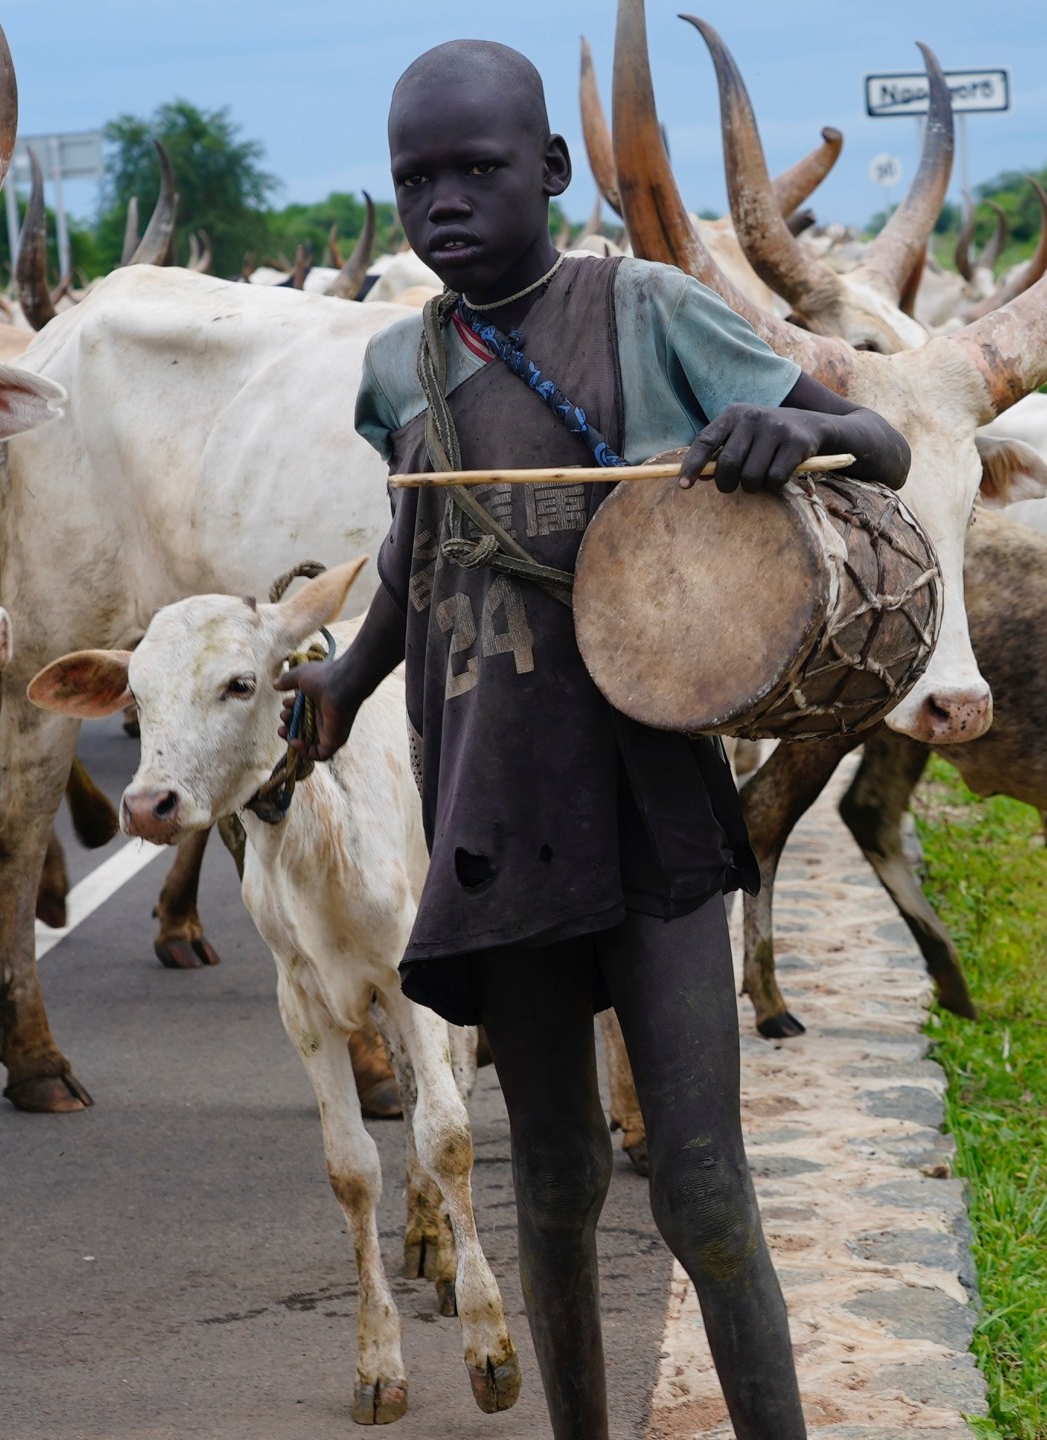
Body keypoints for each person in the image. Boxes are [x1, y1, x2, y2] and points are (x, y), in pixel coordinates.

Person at [276, 39, 907, 1440]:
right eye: (415, 180)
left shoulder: (648, 314)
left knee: (702, 1186)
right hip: (492, 807)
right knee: (550, 1177)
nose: (443, 204)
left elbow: (884, 444)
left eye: (479, 171)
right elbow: (417, 546)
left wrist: (782, 435)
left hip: (644, 800)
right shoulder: (400, 366)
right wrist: (345, 683)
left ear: (553, 173)